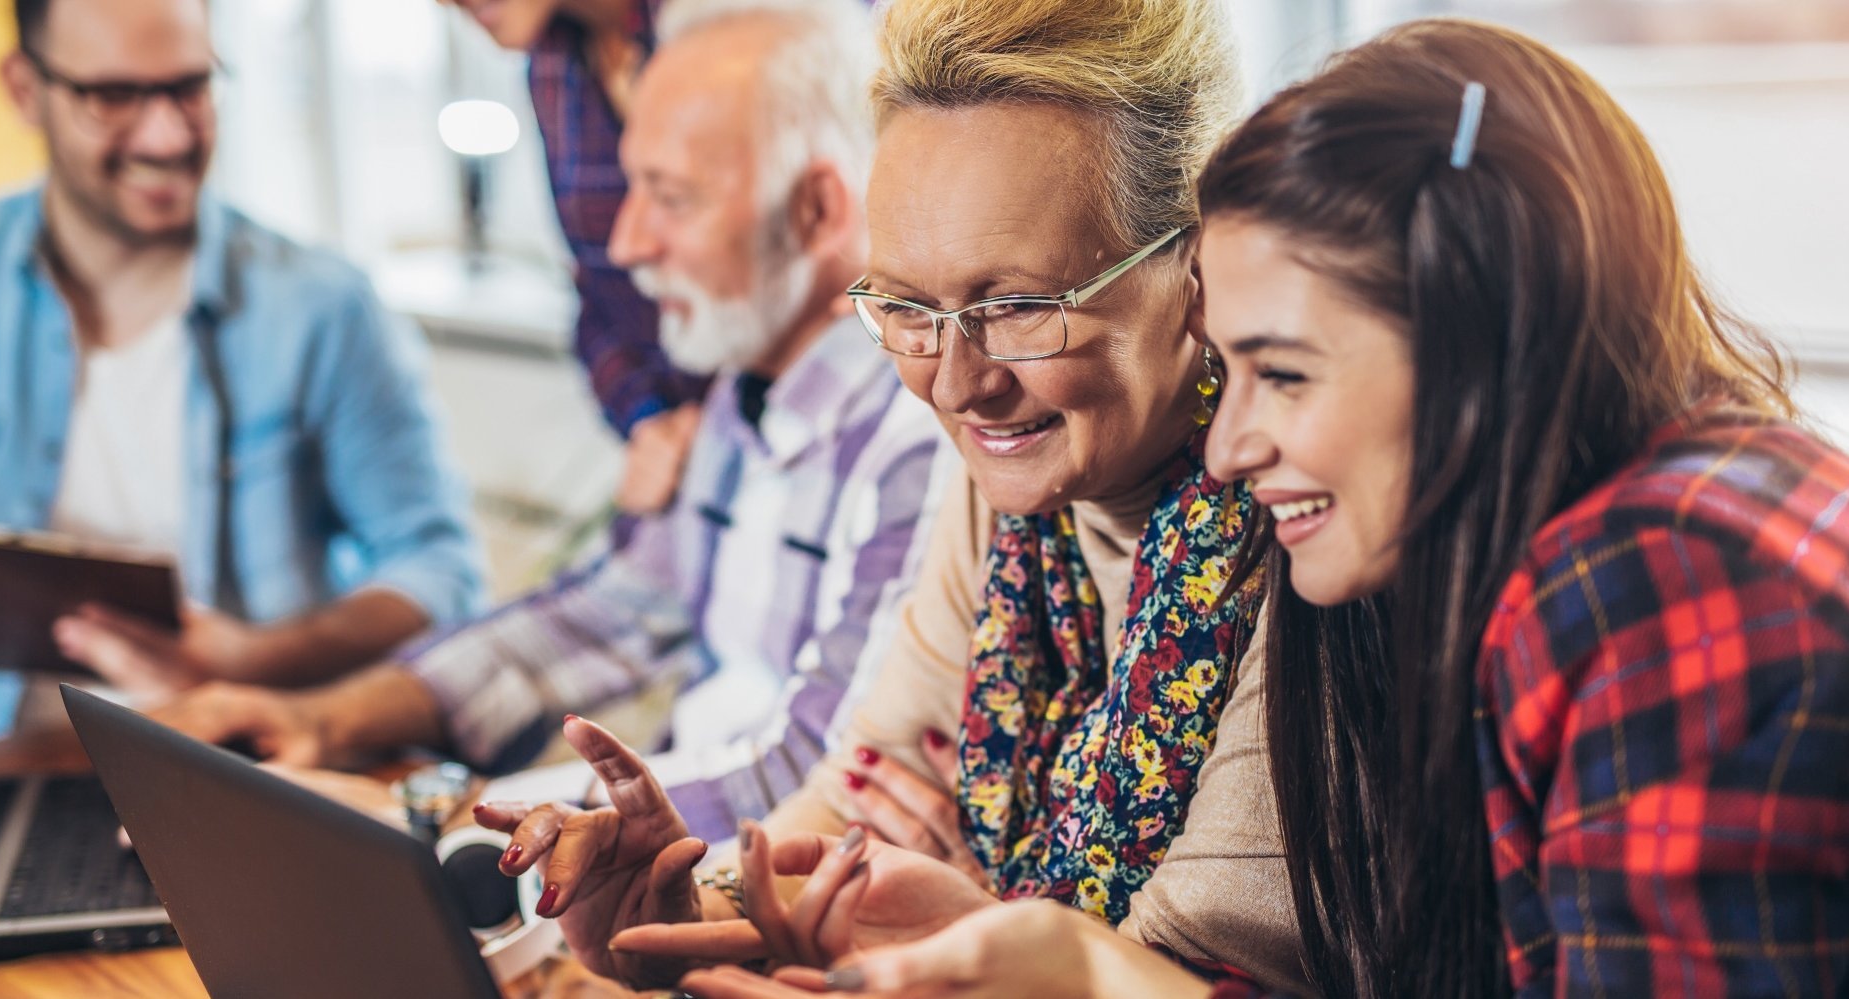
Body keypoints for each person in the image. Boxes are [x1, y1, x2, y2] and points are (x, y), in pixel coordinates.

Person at [681, 16, 1849, 999]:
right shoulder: (1532, 572)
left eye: (1281, 373)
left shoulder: (1664, 570)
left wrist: (1094, 979)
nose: (1229, 450)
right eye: (907, 309)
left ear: (1481, 345)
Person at [474, 0, 1312, 992]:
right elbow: (871, 789)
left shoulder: (1310, 523)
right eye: (907, 307)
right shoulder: (1006, 487)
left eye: (1018, 308)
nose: (956, 386)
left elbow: (1194, 963)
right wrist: (692, 907)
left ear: (1199, 264)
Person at [155, 0, 949, 847]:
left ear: (820, 211)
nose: (629, 243)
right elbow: (601, 618)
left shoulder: (920, 446)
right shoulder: (737, 396)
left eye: (669, 197)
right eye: (629, 185)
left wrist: (445, 827)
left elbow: (810, 775)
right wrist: (320, 718)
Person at [0, 0, 484, 747]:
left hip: (220, 766)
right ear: (24, 89)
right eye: (114, 96)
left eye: (191, 86)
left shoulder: (325, 307)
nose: (169, 135)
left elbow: (442, 571)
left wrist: (253, 661)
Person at [439, 0, 711, 515]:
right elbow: (597, 293)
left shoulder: (737, 28)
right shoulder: (552, 64)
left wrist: (728, 421)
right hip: (677, 469)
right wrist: (646, 419)